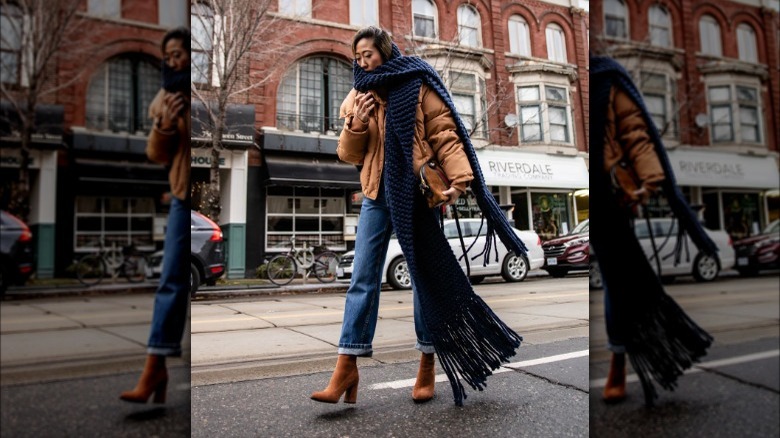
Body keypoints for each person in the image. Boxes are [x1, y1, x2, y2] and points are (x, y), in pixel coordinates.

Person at [311, 26, 527, 407]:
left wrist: (459, 180)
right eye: (358, 56)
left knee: (424, 279)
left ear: (386, 51)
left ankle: (427, 362)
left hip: (418, 195)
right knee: (362, 278)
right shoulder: (358, 94)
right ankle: (346, 366)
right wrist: (356, 124)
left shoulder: (417, 81)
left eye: (369, 54)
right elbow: (348, 154)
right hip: (377, 193)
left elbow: (445, 134)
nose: (363, 61)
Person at [590, 54, 718, 406]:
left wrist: (649, 180)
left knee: (619, 281)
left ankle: (619, 357)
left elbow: (634, 132)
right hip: (593, 194)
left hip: (613, 195)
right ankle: (629, 352)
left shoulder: (605, 75)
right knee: (620, 280)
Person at [119, 27, 191, 404]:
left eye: (179, 52)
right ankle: (155, 367)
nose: (172, 60)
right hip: (182, 193)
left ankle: (160, 372)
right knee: (171, 280)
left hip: (200, 190)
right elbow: (157, 154)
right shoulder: (166, 97)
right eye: (169, 54)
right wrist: (166, 124)